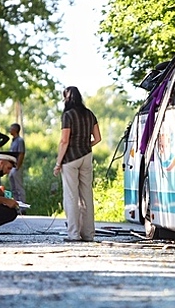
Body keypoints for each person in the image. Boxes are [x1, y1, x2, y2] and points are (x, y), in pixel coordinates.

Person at [53, 86, 101, 242]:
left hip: (70, 160)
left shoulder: (68, 116)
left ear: (67, 98)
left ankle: (73, 234)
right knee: (87, 195)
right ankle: (88, 234)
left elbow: (64, 141)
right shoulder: (90, 114)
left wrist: (58, 163)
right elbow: (98, 138)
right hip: (86, 156)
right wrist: (85, 146)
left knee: (71, 196)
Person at [8, 123, 26, 202]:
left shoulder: (20, 140)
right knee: (13, 188)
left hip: (16, 167)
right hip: (11, 167)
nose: (10, 130)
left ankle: (23, 207)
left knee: (19, 187)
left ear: (15, 130)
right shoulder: (13, 141)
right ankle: (16, 204)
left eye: (11, 129)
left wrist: (17, 166)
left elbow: (21, 154)